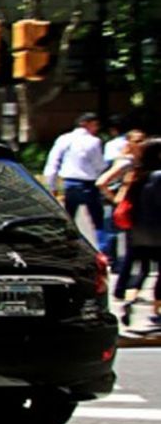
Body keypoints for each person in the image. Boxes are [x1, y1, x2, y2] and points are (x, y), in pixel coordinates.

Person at [117, 138, 161, 329]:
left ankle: (129, 301)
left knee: (142, 270)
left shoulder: (137, 175)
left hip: (137, 232)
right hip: (158, 233)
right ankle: (156, 312)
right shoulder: (159, 176)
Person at [99, 129, 147, 298]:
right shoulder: (126, 162)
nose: (142, 143)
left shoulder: (138, 161)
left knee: (133, 248)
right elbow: (101, 182)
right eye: (138, 140)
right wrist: (116, 200)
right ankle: (123, 288)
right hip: (124, 208)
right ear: (129, 143)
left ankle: (125, 287)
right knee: (129, 246)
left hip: (133, 208)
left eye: (143, 140)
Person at [43, 112, 107, 240]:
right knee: (98, 221)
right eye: (95, 125)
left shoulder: (63, 139)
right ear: (85, 124)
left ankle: (68, 244)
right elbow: (99, 164)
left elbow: (53, 162)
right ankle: (105, 252)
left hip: (70, 183)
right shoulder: (94, 141)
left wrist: (52, 184)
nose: (96, 128)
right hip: (89, 183)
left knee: (69, 219)